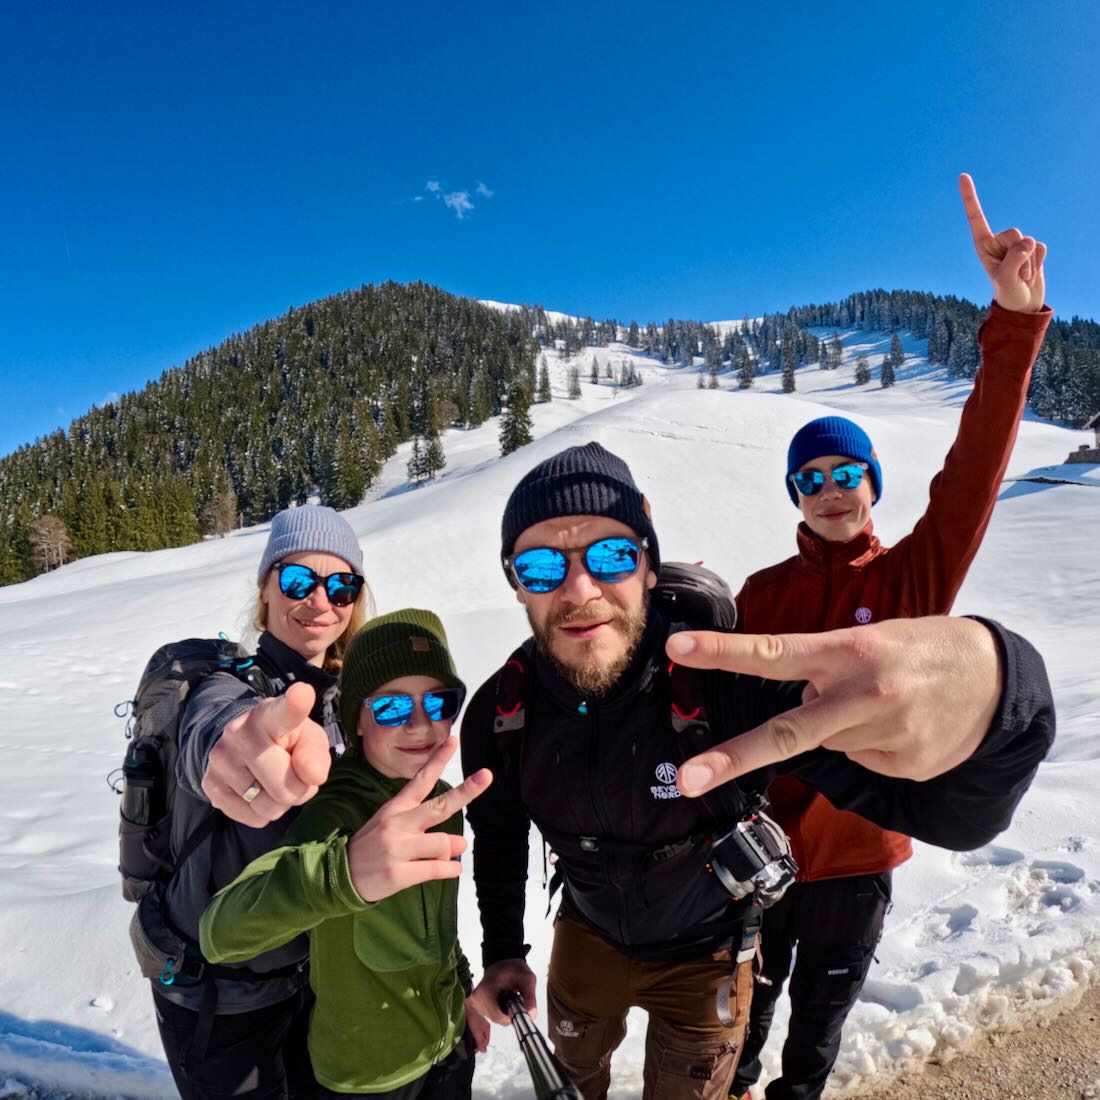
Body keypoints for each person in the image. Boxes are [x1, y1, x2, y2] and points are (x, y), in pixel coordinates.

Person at [459, 441, 1055, 1100]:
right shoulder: (500, 712)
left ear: (648, 564)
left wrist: (1004, 687)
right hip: (586, 942)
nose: (580, 589)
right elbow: (502, 836)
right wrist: (503, 951)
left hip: (707, 955)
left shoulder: (721, 685)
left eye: (611, 555)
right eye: (541, 567)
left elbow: (954, 816)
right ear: (515, 582)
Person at [728, 173, 1051, 1100]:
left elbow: (978, 466)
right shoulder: (762, 592)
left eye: (847, 472)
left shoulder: (914, 577)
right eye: (811, 477)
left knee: (813, 1050)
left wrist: (1015, 323)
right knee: (738, 1036)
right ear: (796, 495)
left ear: (872, 484)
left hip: (862, 856)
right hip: (764, 857)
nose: (830, 488)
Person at [201, 610, 493, 1099]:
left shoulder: (442, 803)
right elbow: (220, 932)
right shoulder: (335, 812)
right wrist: (343, 874)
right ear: (358, 716)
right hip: (362, 1078)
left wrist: (460, 995)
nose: (420, 723)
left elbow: (436, 928)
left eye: (439, 702)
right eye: (393, 708)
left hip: (445, 1053)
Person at [148, 504, 372, 1100]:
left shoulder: (349, 699)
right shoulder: (227, 687)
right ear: (266, 588)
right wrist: (231, 745)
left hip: (307, 981)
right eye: (299, 579)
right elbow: (217, 728)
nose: (320, 600)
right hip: (216, 996)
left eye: (341, 584)